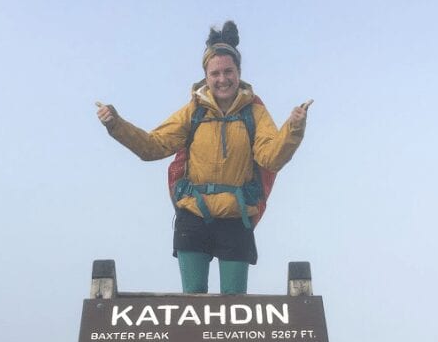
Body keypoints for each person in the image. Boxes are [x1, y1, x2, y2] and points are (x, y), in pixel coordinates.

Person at [96, 20, 311, 295]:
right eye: (215, 73)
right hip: (193, 216)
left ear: (239, 72)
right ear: (206, 77)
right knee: (193, 306)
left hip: (237, 216)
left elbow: (271, 158)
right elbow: (152, 146)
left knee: (234, 308)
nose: (223, 79)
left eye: (228, 72)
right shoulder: (193, 111)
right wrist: (116, 123)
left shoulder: (254, 113)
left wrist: (293, 126)